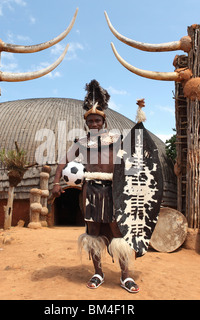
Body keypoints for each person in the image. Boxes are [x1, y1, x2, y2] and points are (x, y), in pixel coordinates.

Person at [52, 80, 139, 293]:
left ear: (103, 121)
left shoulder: (115, 138)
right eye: (90, 120)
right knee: (93, 232)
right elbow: (62, 162)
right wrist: (56, 182)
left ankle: (125, 276)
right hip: (90, 191)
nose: (94, 123)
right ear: (86, 123)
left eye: (97, 120)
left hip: (111, 190)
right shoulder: (80, 143)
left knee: (117, 231)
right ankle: (98, 272)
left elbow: (129, 160)